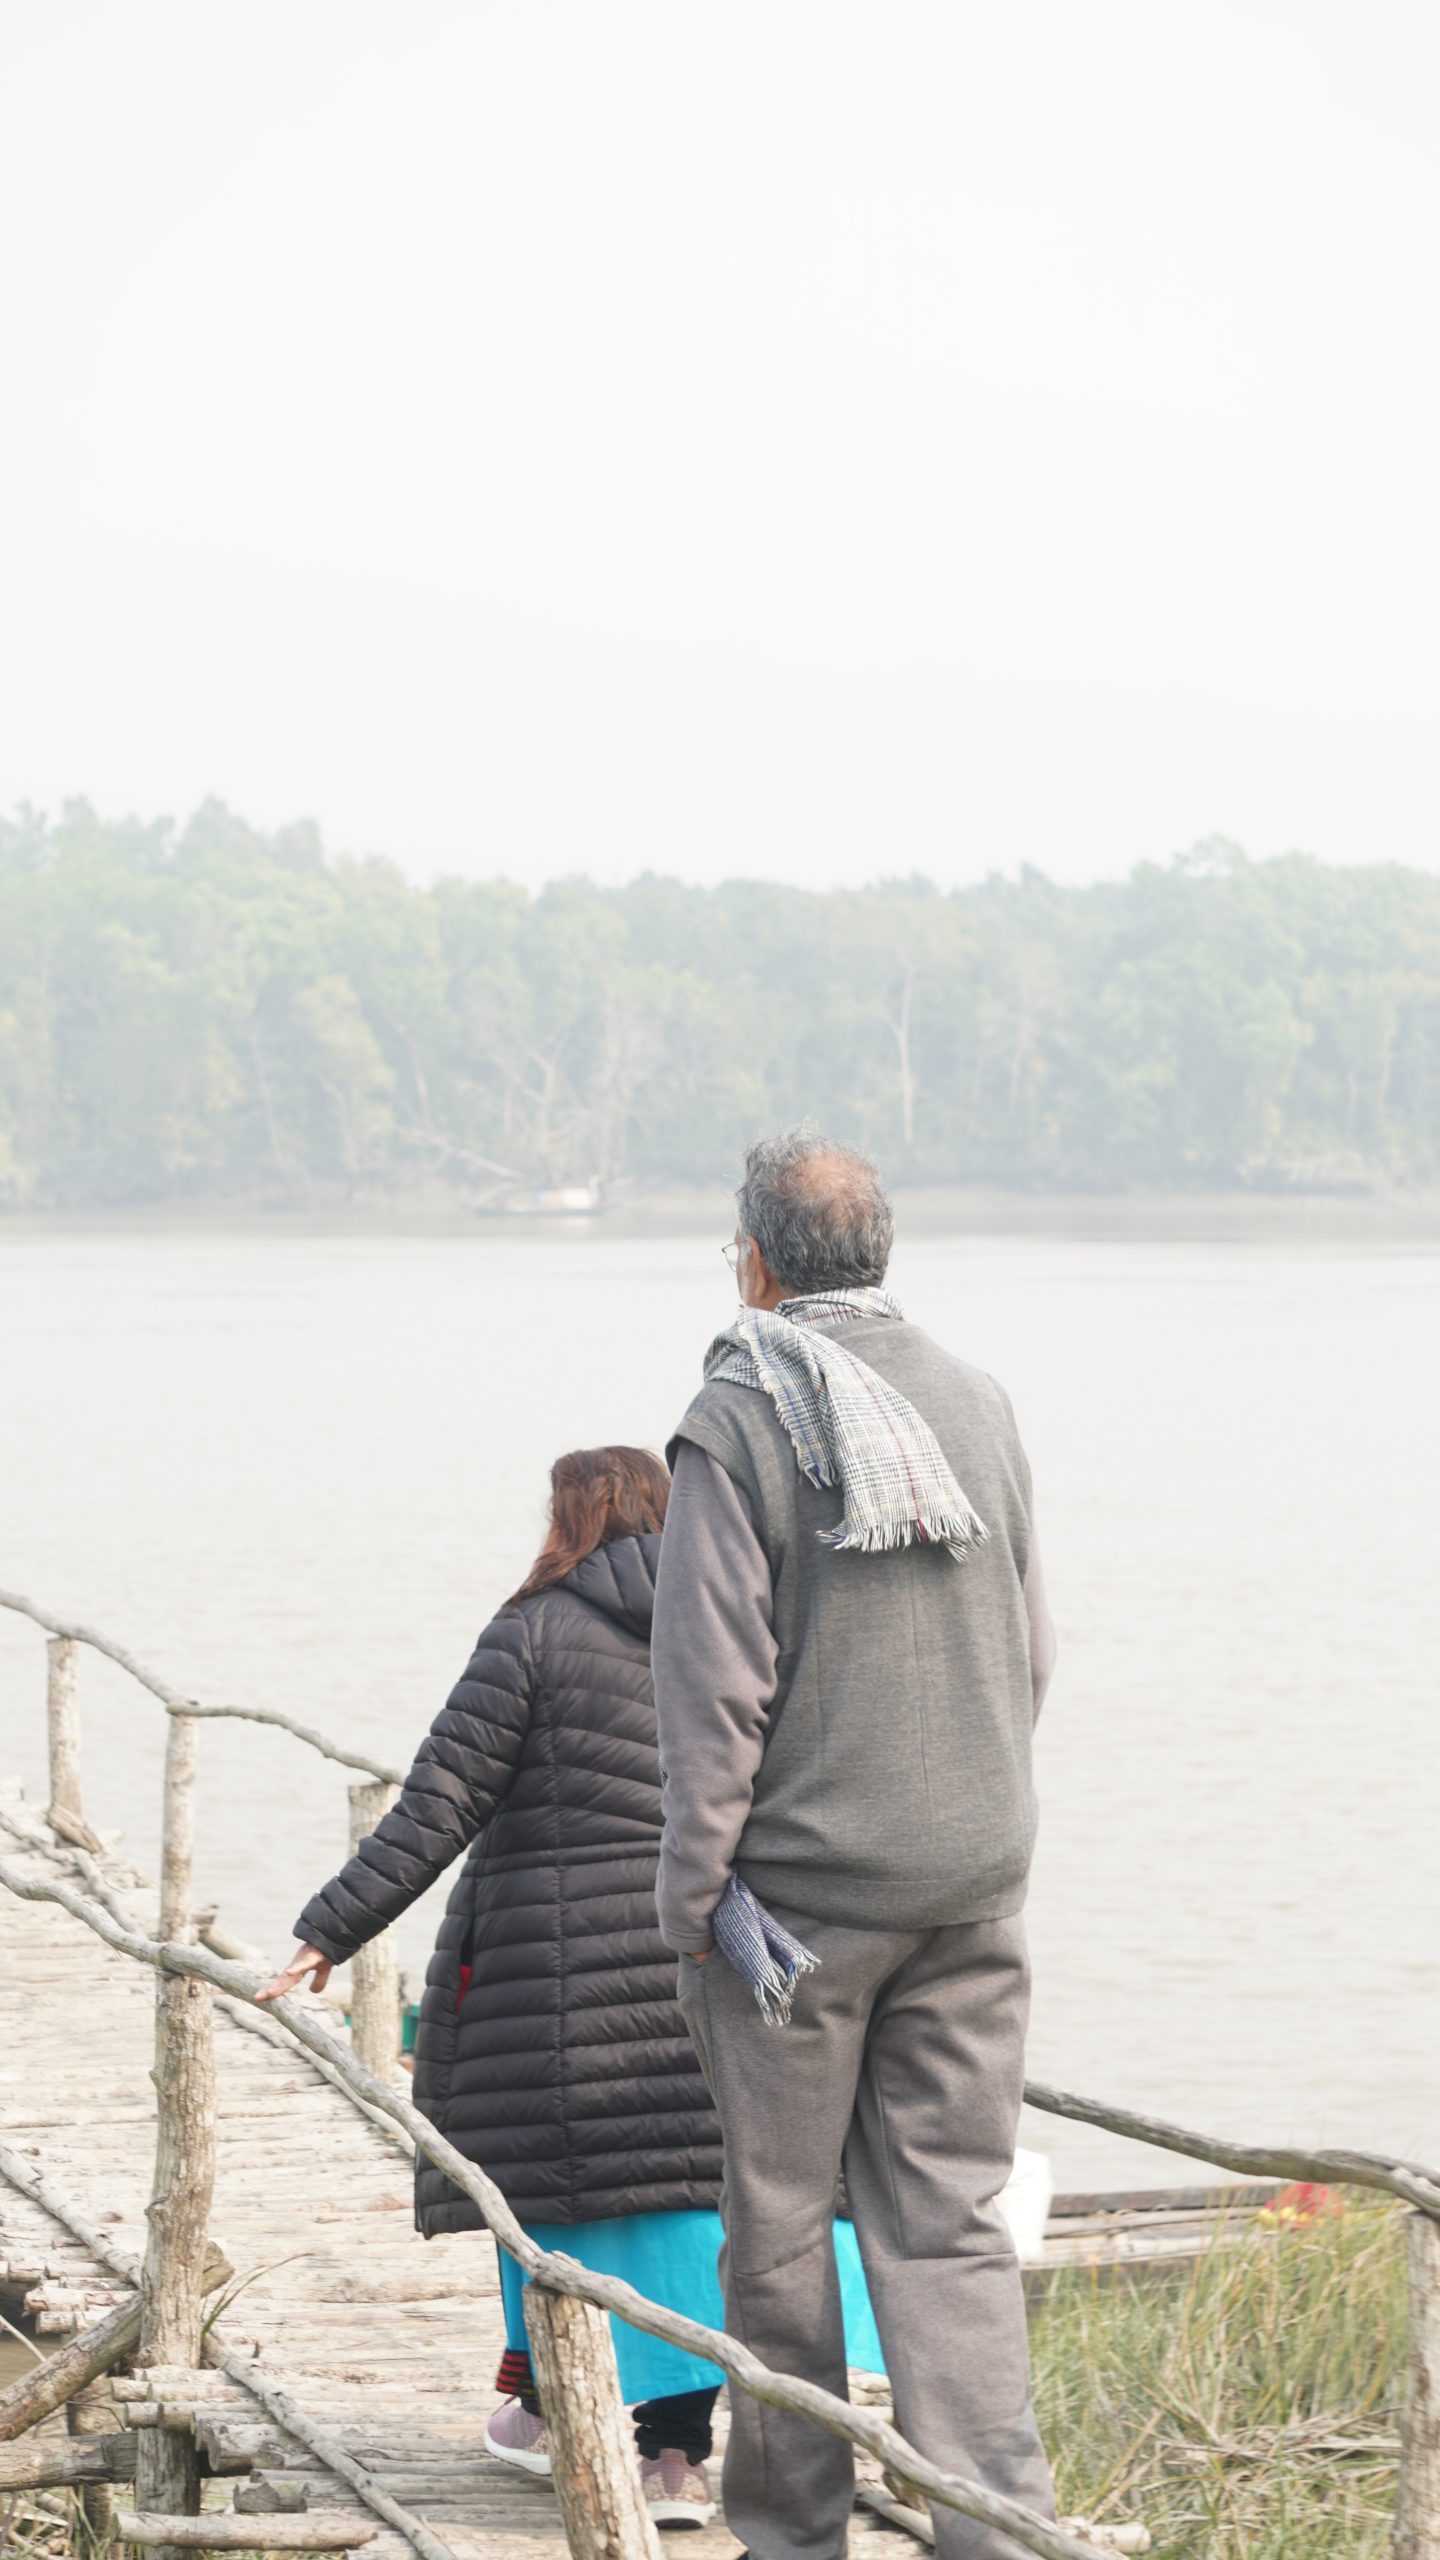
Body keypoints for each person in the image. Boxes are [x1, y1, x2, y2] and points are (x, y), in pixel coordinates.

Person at [256, 1443, 884, 2530]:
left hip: (554, 1975)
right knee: (692, 2190)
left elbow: (438, 1805)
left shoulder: (534, 1630)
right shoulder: (750, 1626)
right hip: (710, 1956)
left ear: (568, 1520)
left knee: (564, 2197)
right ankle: (676, 2462)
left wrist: (329, 1931)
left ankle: (552, 2408)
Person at [652, 1129, 1060, 2560]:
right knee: (954, 2220)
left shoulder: (738, 1417)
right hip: (975, 1885)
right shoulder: (979, 1401)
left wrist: (693, 1897)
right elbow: (1030, 1651)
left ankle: (794, 2534)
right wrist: (967, 1807)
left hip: (802, 1915)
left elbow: (713, 1691)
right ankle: (996, 2528)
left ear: (757, 1263)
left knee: (776, 2227)